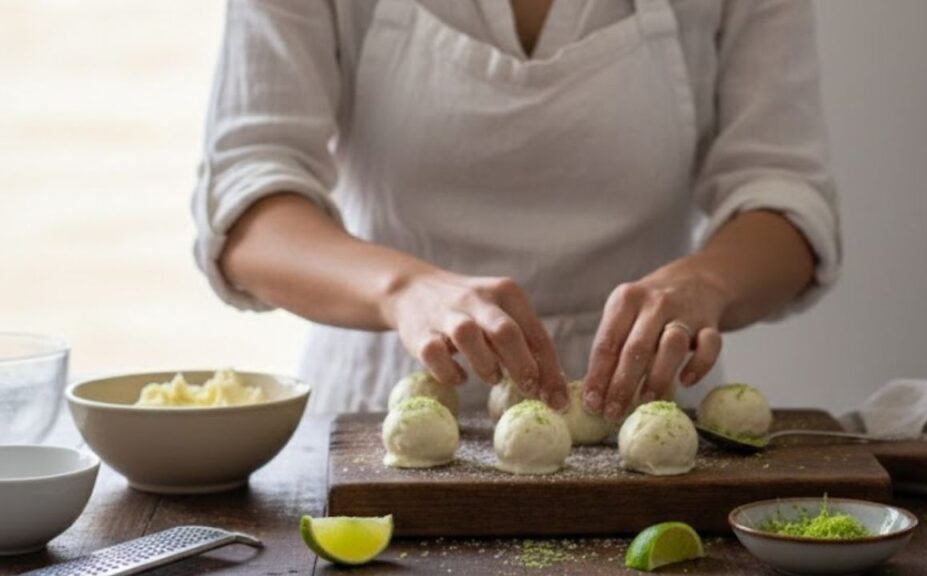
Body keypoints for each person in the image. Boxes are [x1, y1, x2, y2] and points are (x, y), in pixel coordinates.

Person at [191, 0, 840, 417]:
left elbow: (785, 194)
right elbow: (249, 205)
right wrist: (403, 290)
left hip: (655, 421)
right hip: (378, 413)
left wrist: (707, 283)